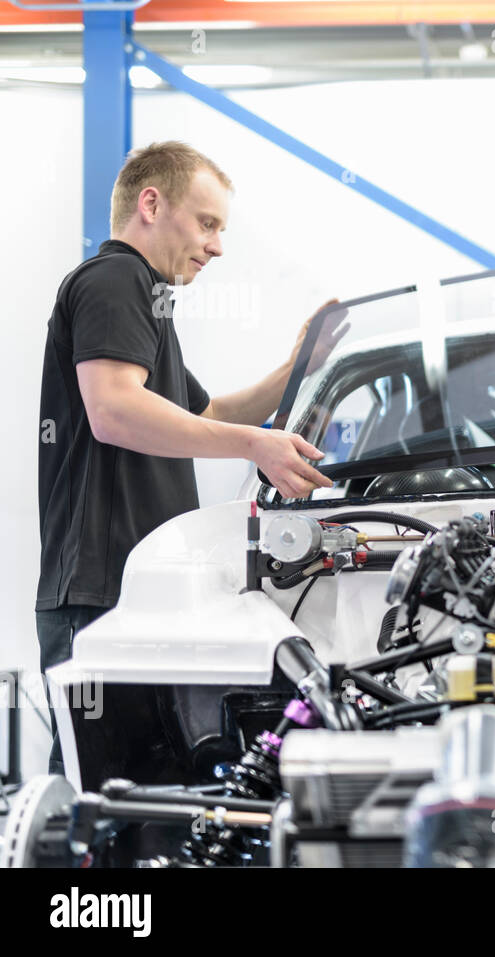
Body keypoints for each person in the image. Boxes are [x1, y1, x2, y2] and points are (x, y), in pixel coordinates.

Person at [36, 141, 337, 773]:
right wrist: (256, 444)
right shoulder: (115, 279)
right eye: (207, 223)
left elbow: (206, 416)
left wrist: (298, 366)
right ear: (151, 203)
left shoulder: (147, 302)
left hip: (137, 589)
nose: (217, 246)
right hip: (104, 590)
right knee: (104, 802)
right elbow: (114, 411)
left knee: (150, 793)